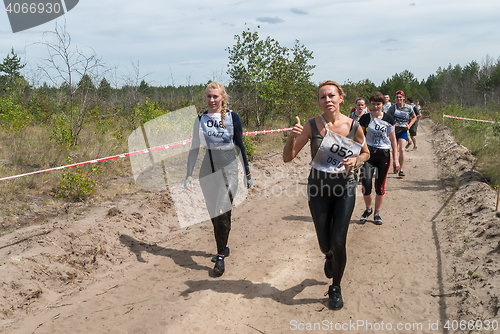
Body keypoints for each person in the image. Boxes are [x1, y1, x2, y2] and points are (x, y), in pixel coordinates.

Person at [283, 80, 370, 310]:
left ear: (341, 98)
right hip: (318, 190)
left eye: (332, 95)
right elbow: (288, 157)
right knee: (325, 244)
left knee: (339, 241)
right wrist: (291, 137)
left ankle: (336, 287)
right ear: (319, 102)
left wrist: (356, 160)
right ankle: (329, 256)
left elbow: (366, 152)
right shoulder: (312, 125)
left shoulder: (354, 126)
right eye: (323, 97)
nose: (327, 100)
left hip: (345, 189)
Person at [184, 82, 253, 276]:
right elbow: (194, 148)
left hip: (229, 169)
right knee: (215, 215)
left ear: (222, 97)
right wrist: (189, 175)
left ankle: (220, 257)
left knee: (223, 209)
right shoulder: (200, 119)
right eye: (209, 96)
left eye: (215, 96)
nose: (212, 100)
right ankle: (224, 246)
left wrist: (247, 173)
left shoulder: (233, 118)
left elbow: (240, 146)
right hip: (207, 170)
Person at [358, 92, 399, 225]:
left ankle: (377, 213)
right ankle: (368, 209)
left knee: (380, 186)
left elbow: (393, 140)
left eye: (378, 104)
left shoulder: (389, 119)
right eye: (373, 104)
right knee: (366, 185)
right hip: (368, 155)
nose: (376, 107)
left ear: (383, 104)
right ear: (370, 104)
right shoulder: (365, 118)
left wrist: (396, 160)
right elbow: (359, 137)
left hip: (383, 155)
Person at [386, 90, 416, 177]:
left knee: (402, 149)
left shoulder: (409, 108)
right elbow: (387, 118)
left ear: (403, 98)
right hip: (393, 131)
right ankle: (395, 165)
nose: (399, 99)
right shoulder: (392, 108)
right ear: (395, 98)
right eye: (397, 97)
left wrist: (409, 125)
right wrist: (392, 123)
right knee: (395, 149)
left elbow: (414, 117)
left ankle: (401, 170)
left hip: (403, 131)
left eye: (400, 97)